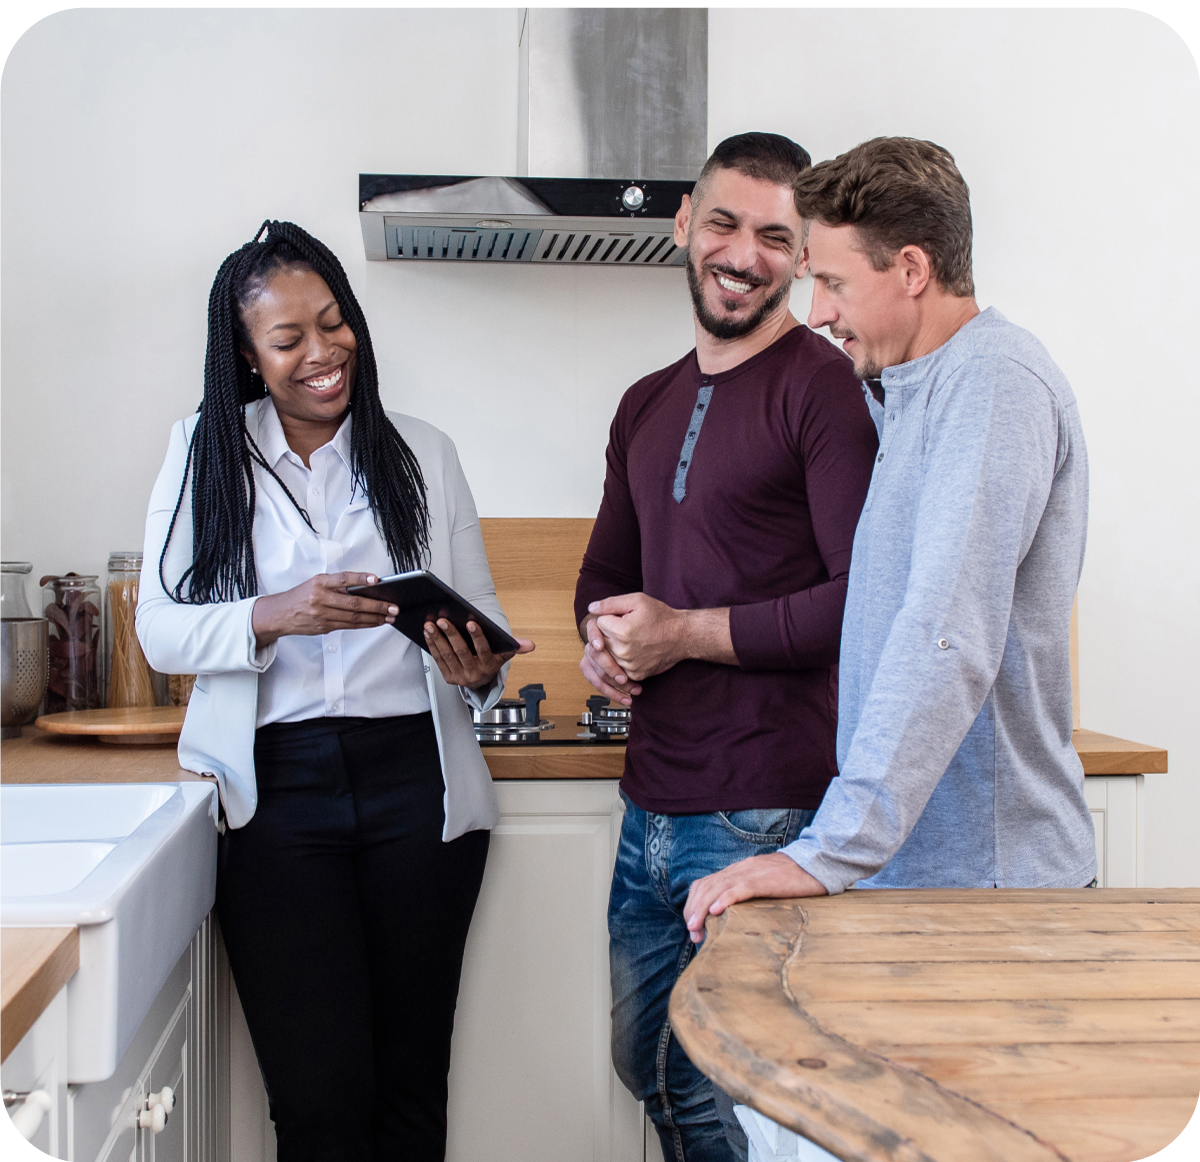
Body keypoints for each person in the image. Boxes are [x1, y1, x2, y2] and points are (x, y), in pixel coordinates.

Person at [136, 220, 532, 1162]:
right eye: (288, 339)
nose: (322, 352)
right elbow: (159, 625)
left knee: (410, 1090)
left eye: (334, 322)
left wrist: (480, 669)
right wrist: (274, 614)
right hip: (277, 799)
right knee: (318, 1100)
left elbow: (479, 617)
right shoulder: (205, 450)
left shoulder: (423, 451)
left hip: (415, 789)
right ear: (245, 355)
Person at [685, 137, 1096, 939]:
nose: (818, 313)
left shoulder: (992, 383)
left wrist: (829, 850)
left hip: (989, 885)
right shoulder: (912, 391)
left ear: (911, 270)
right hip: (928, 874)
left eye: (834, 282)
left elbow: (948, 631)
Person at [575, 133, 879, 1161]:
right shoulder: (643, 402)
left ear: (801, 256)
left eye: (773, 235)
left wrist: (683, 634)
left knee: (735, 1084)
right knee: (646, 1061)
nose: (743, 253)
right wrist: (604, 642)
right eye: (724, 222)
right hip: (650, 802)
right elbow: (602, 572)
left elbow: (859, 602)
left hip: (766, 807)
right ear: (683, 225)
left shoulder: (826, 388)